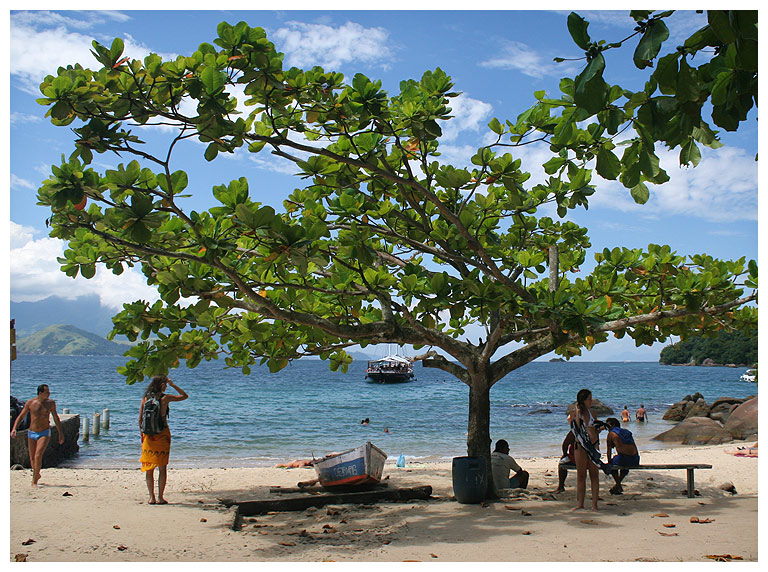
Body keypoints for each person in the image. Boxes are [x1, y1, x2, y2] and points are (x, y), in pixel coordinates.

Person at [139, 375, 188, 505]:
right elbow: (184, 396)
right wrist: (173, 385)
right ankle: (160, 497)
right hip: (163, 434)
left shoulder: (145, 399)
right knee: (162, 467)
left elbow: (140, 420)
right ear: (161, 385)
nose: (166, 386)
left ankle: (151, 497)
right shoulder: (165, 398)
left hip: (148, 436)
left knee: (149, 468)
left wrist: (142, 436)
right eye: (165, 384)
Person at [10, 384, 64, 486]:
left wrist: (60, 433)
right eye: (47, 392)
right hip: (32, 432)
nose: (49, 394)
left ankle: (34, 482)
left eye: (49, 392)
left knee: (38, 455)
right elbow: (21, 416)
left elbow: (56, 418)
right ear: (40, 393)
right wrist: (14, 429)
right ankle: (36, 474)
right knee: (32, 458)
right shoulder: (30, 403)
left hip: (44, 432)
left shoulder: (50, 403)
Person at [568, 388, 607, 511]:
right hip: (580, 446)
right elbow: (576, 427)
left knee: (594, 475)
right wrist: (577, 412)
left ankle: (594, 505)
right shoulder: (575, 414)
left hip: (593, 446)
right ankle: (580, 503)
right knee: (581, 475)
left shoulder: (593, 414)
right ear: (583, 400)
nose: (591, 401)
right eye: (589, 399)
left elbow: (595, 428)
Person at [605, 417, 640, 495]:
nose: (607, 429)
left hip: (623, 459)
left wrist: (609, 463)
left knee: (613, 466)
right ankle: (618, 486)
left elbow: (608, 451)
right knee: (623, 466)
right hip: (635, 459)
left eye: (607, 426)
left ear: (613, 425)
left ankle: (618, 485)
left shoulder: (611, 434)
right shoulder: (627, 432)